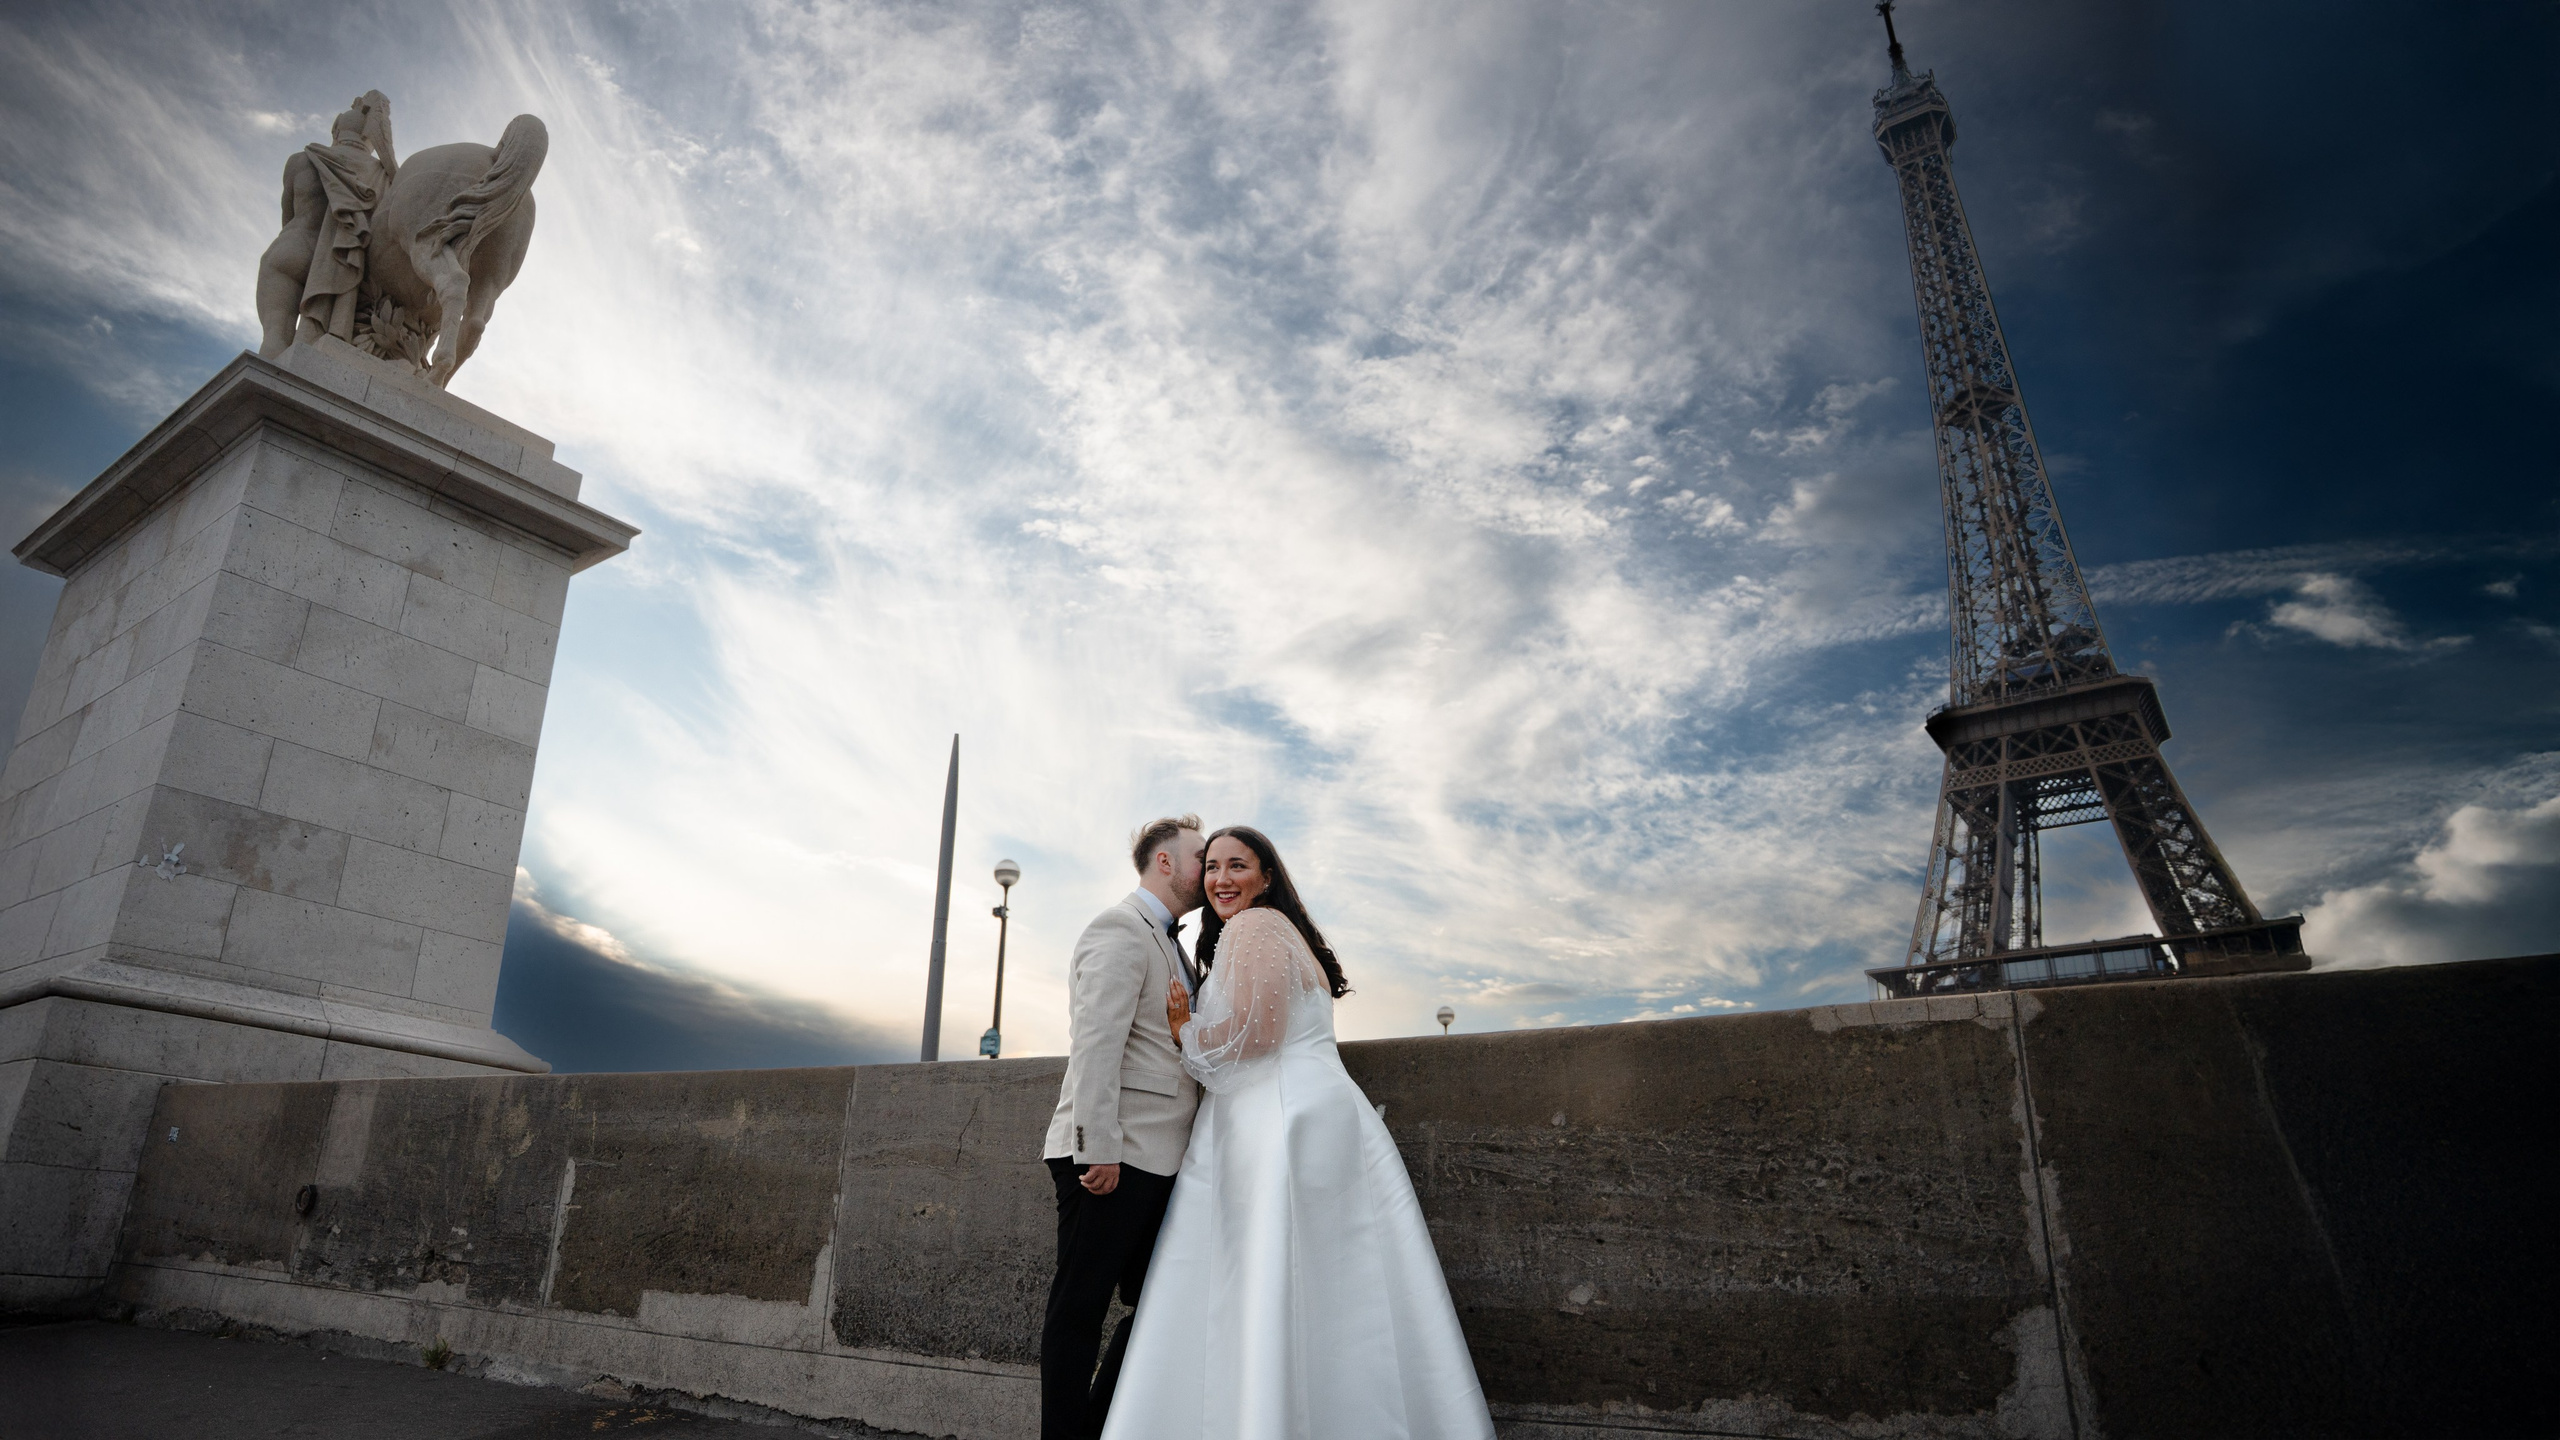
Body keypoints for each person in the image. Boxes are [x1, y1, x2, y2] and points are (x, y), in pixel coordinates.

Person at [1101, 826, 1495, 1439]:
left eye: (1238, 866)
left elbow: (1255, 1037)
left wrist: (1185, 1031)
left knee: (1265, 1277)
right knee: (1337, 1287)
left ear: (1265, 878)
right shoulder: (1283, 933)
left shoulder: (1254, 928)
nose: (1221, 879)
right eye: (1211, 867)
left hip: (1275, 1116)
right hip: (1316, 1110)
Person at [1040, 815, 1209, 1440]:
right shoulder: (1119, 927)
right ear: (1164, 863)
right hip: (1112, 1157)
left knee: (1158, 1304)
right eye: (1200, 856)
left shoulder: (1169, 940)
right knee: (1078, 1309)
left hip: (1155, 1157)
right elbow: (1095, 1045)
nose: (1209, 867)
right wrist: (1098, 1150)